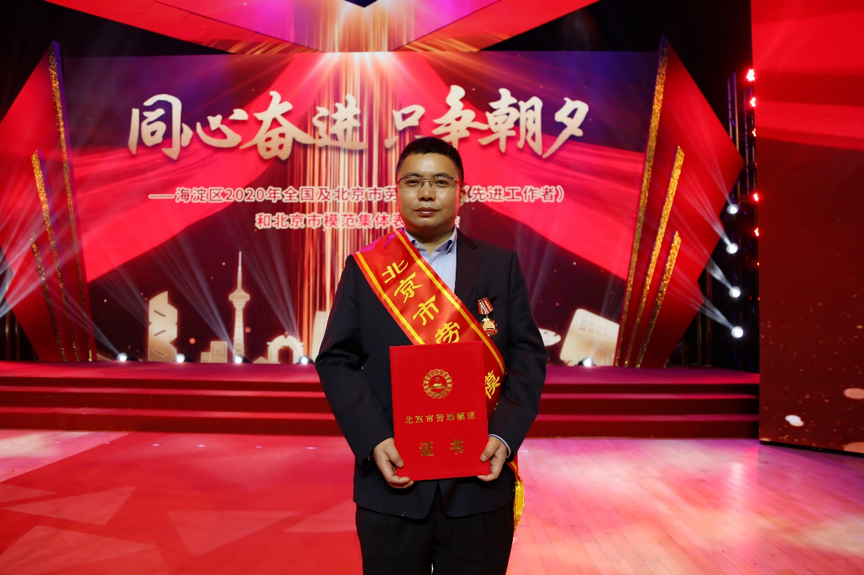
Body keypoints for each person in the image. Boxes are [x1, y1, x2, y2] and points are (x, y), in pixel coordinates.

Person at [315, 136, 547, 574]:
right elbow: (336, 359)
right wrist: (374, 439)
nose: (426, 193)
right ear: (397, 190)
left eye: (440, 182)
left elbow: (527, 357)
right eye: (414, 182)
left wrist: (503, 437)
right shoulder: (365, 268)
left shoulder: (499, 265)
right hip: (393, 478)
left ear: (462, 192)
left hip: (480, 478)